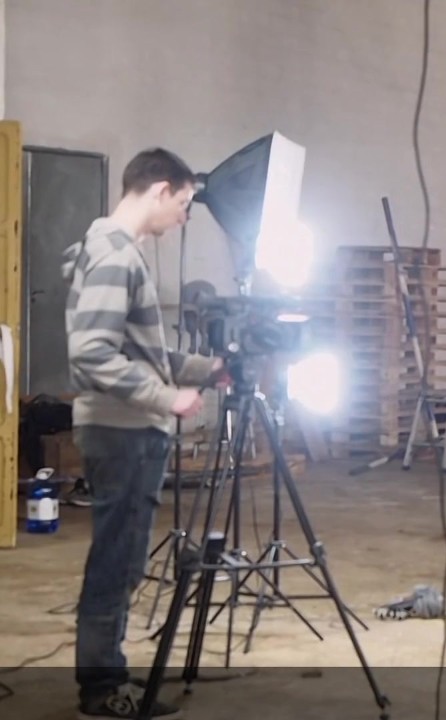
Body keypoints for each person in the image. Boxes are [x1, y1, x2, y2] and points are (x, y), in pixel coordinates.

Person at [63, 148, 226, 719]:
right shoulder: (116, 255)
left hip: (125, 430)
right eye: (183, 203)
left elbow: (142, 354)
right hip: (124, 432)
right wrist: (166, 397)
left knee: (121, 556)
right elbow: (91, 353)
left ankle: (106, 671)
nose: (183, 217)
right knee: (119, 561)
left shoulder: (113, 251)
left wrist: (206, 370)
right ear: (160, 190)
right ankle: (102, 688)